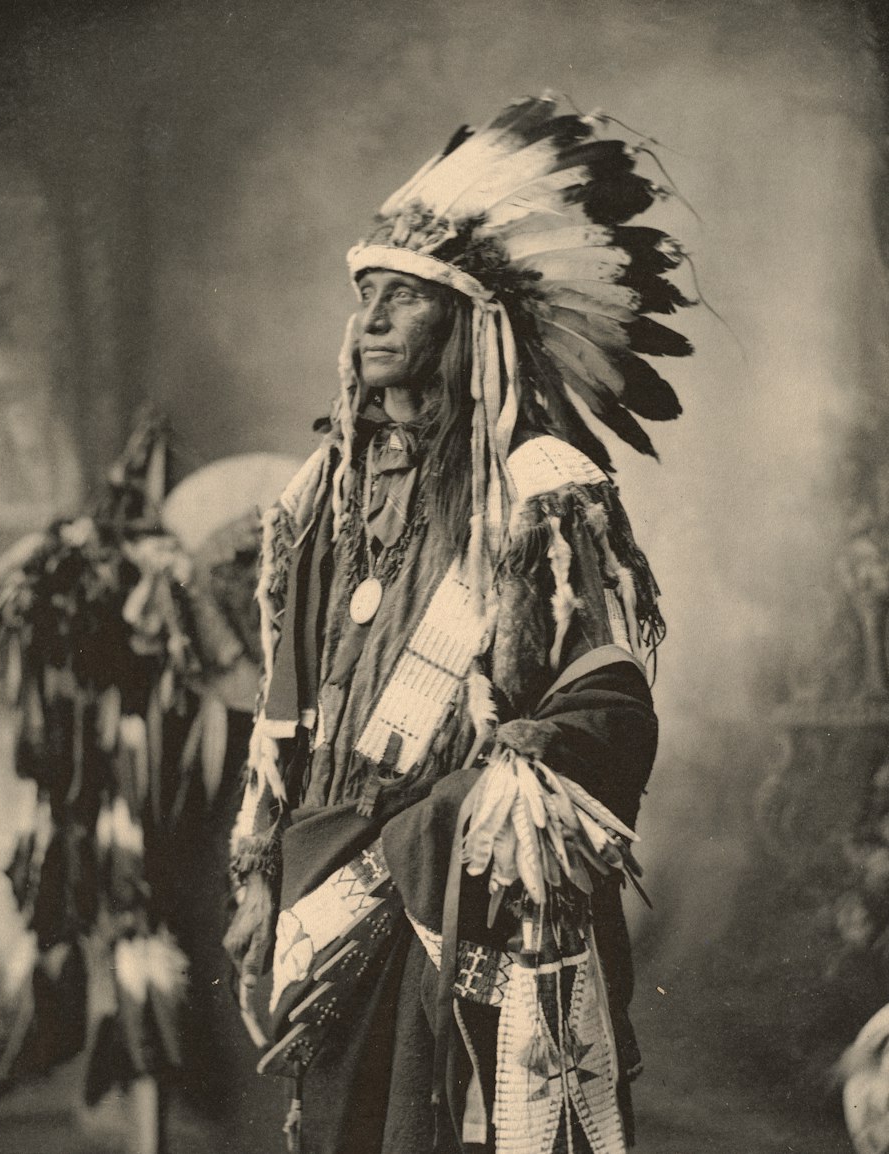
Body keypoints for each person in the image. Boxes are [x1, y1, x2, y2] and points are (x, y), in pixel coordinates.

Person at [223, 92, 694, 1154]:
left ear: (472, 317)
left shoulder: (536, 491)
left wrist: (494, 782)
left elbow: (606, 700)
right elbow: (280, 710)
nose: (372, 319)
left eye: (405, 297)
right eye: (366, 296)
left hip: (447, 898)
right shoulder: (320, 495)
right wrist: (257, 873)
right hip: (322, 883)